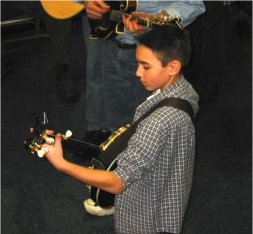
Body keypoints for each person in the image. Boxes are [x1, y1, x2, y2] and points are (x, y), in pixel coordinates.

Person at [41, 23, 199, 234]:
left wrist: (63, 164)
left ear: (173, 67)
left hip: (144, 221)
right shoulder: (184, 92)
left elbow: (117, 183)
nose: (137, 72)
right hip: (166, 202)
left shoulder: (158, 122)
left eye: (145, 66)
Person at [82, 1, 205, 144]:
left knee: (152, 124)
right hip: (111, 45)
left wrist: (158, 19)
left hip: (153, 55)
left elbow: (194, 5)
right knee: (117, 125)